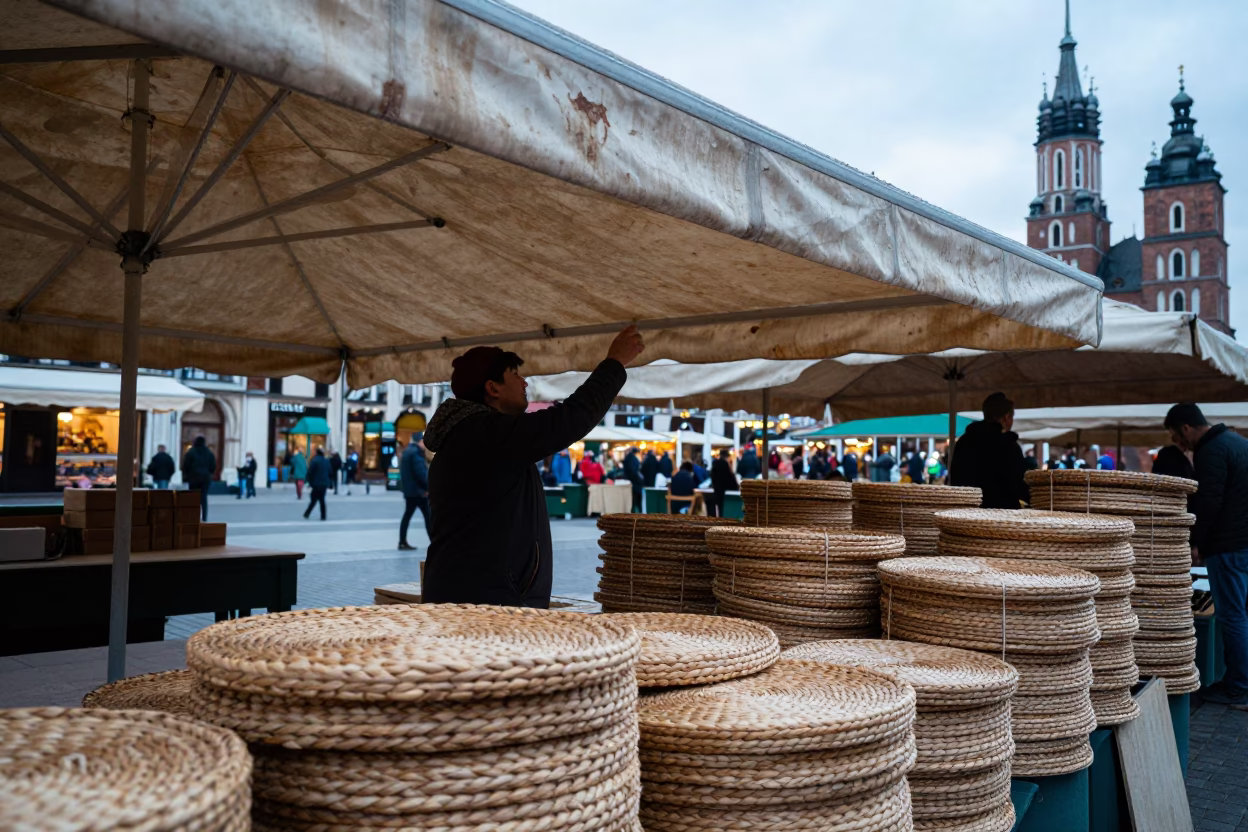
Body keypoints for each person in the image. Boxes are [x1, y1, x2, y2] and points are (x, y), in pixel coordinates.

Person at [422, 324, 643, 607]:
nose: (525, 382)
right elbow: (567, 420)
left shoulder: (472, 435)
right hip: (487, 604)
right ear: (492, 388)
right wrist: (614, 364)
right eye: (515, 375)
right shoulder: (484, 433)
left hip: (476, 594)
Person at [1165, 403, 1248, 707]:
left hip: (1228, 546)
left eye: (1176, 437)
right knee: (1242, 613)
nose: (1178, 444)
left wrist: (1195, 542)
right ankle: (1239, 680)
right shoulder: (1239, 443)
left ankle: (1239, 685)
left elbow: (1208, 502)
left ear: (1186, 428)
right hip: (1243, 543)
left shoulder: (1211, 450)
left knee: (1232, 615)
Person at [950, 392, 1029, 510]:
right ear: (1006, 417)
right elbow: (1018, 484)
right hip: (1003, 516)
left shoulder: (963, 442)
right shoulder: (1008, 445)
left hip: (967, 514)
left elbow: (955, 478)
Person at [399, 432, 430, 550]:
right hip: (419, 492)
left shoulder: (407, 452)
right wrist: (428, 487)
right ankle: (435, 542)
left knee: (407, 516)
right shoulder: (416, 453)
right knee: (428, 517)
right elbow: (421, 474)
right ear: (420, 442)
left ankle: (402, 541)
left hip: (410, 492)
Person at [180, 435, 216, 521]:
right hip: (205, 478)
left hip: (193, 477)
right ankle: (204, 516)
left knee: (193, 497)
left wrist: (185, 476)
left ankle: (193, 515)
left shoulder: (191, 452)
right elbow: (213, 465)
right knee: (203, 497)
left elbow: (185, 466)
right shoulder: (209, 453)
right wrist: (209, 473)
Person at [709, 448, 739, 517]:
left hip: (717, 490)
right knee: (724, 509)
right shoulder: (725, 464)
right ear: (727, 456)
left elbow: (712, 476)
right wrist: (736, 487)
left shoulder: (715, 463)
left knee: (719, 509)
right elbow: (729, 477)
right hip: (725, 491)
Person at [303, 447, 331, 521]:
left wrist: (307, 482)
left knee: (313, 499)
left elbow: (310, 472)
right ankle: (323, 516)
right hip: (324, 484)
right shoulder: (326, 461)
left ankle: (307, 513)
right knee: (322, 500)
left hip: (316, 484)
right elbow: (330, 472)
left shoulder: (314, 461)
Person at [623, 447, 644, 511]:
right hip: (635, 482)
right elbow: (634, 471)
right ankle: (637, 510)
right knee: (636, 498)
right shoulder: (634, 459)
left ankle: (633, 510)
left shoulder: (627, 458)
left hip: (629, 481)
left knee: (631, 499)